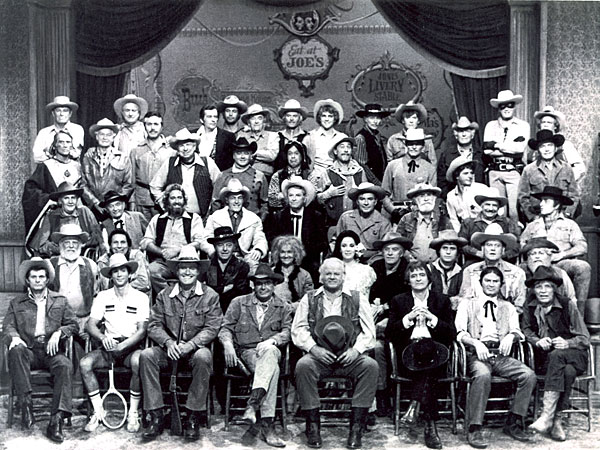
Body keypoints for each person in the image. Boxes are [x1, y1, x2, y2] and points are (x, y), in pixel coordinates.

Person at [291, 258, 378, 449]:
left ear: (343, 276)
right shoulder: (310, 298)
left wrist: (356, 351)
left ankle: (356, 426)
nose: (332, 277)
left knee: (370, 366)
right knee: (303, 366)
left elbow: (369, 332)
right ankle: (313, 425)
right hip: (320, 356)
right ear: (320, 276)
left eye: (336, 273)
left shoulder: (357, 298)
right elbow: (298, 330)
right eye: (328, 273)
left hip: (349, 356)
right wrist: (314, 349)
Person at [139, 246, 223, 442]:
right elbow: (153, 325)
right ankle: (156, 415)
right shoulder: (164, 296)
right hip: (170, 351)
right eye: (182, 268)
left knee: (204, 357)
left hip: (194, 351)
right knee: (146, 356)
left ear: (198, 271)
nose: (187, 272)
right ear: (176, 271)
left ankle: (193, 416)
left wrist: (191, 345)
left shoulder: (210, 296)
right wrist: (168, 343)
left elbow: (212, 327)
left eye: (191, 268)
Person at [455, 266, 536, 448]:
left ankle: (514, 422)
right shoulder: (467, 304)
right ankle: (474, 427)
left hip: (500, 355)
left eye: (495, 281)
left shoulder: (507, 307)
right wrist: (476, 343)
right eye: (488, 280)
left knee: (528, 375)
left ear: (501, 284)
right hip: (476, 354)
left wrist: (511, 336)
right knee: (482, 375)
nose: (491, 284)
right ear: (481, 282)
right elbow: (460, 332)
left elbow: (517, 331)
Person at [2, 257, 78, 442]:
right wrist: (16, 337)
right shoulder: (17, 303)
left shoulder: (59, 300)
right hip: (28, 350)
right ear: (27, 280)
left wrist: (59, 333)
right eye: (33, 277)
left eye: (41, 276)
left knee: (64, 365)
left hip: (51, 351)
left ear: (47, 279)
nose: (37, 280)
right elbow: (7, 327)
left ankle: (56, 420)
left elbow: (73, 325)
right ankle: (26, 403)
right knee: (16, 350)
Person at [219, 263, 292, 448]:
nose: (263, 287)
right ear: (253, 285)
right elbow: (225, 328)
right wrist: (227, 344)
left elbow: (289, 331)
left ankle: (253, 405)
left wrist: (273, 341)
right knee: (271, 369)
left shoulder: (282, 306)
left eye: (267, 283)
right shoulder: (239, 303)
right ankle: (268, 426)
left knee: (270, 355)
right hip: (246, 354)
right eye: (259, 283)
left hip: (272, 350)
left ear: (273, 285)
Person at [386, 262, 456, 450]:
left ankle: (415, 405)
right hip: (408, 355)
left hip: (436, 353)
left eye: (421, 275)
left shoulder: (441, 300)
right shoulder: (399, 301)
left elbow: (451, 333)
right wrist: (407, 319)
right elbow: (390, 333)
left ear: (428, 278)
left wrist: (433, 319)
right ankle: (430, 426)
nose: (418, 278)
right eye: (413, 275)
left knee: (428, 352)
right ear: (408, 280)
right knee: (426, 362)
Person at [81, 253, 149, 433]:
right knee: (85, 363)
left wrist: (124, 345)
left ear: (129, 273)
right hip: (108, 349)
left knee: (138, 361)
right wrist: (104, 339)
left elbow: (142, 330)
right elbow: (90, 325)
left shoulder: (141, 297)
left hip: (131, 347)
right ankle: (98, 411)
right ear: (110, 275)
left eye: (123, 270)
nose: (119, 275)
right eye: (115, 271)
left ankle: (133, 413)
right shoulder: (102, 296)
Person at [522, 266, 590, 442]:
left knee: (558, 355)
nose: (543, 291)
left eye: (547, 286)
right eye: (538, 287)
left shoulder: (568, 305)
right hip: (548, 360)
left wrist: (567, 342)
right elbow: (526, 330)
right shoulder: (529, 306)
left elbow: (584, 338)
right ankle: (556, 419)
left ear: (554, 288)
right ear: (533, 290)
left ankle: (546, 416)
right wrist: (537, 340)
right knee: (566, 371)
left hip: (575, 355)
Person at [520, 185, 591, 313]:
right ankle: (523, 316)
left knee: (582, 267)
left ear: (557, 205)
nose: (541, 204)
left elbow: (582, 247)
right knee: (519, 270)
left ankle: (577, 317)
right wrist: (533, 254)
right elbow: (522, 245)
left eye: (546, 201)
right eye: (541, 200)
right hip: (536, 263)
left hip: (559, 263)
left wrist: (562, 254)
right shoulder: (532, 226)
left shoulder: (569, 224)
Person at [368, 232, 412, 415]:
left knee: (379, 347)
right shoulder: (376, 267)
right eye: (387, 250)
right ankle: (378, 395)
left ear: (402, 253)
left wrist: (388, 312)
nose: (390, 253)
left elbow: (408, 301)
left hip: (399, 320)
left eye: (395, 250)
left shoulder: (407, 270)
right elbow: (369, 295)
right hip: (375, 316)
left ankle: (384, 393)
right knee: (371, 343)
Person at [140, 183, 207, 294]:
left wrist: (179, 250)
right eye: (173, 198)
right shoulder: (158, 219)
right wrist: (162, 252)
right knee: (150, 271)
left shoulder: (194, 218)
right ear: (167, 201)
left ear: (184, 200)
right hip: (163, 262)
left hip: (186, 262)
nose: (177, 201)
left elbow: (199, 241)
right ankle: (168, 297)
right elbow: (146, 242)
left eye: (179, 198)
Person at [150, 128, 221, 220]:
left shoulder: (207, 163)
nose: (185, 148)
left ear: (194, 147)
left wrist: (213, 211)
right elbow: (154, 186)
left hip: (202, 219)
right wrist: (165, 206)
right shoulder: (170, 163)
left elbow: (220, 186)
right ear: (177, 148)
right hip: (176, 219)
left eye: (188, 144)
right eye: (181, 145)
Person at [265, 176, 326, 281]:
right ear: (287, 198)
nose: (294, 198)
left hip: (308, 260)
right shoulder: (278, 216)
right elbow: (273, 240)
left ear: (304, 198)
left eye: (298, 195)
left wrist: (302, 253)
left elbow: (322, 243)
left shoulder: (316, 217)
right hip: (284, 258)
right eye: (291, 195)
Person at [23, 129, 83, 234]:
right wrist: (49, 199)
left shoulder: (78, 167)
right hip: (55, 216)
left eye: (68, 142)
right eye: (61, 142)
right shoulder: (46, 166)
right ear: (55, 146)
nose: (65, 145)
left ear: (72, 146)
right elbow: (30, 191)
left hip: (77, 214)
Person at [205, 178, 268, 275]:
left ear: (243, 200)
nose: (236, 201)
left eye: (239, 198)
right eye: (232, 198)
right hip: (221, 255)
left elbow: (260, 238)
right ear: (226, 200)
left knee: (253, 268)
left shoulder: (253, 218)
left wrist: (258, 249)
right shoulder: (215, 217)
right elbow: (205, 238)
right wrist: (213, 251)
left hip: (244, 257)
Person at [483, 90, 530, 220]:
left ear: (514, 106)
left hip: (513, 171)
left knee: (514, 211)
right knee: (498, 211)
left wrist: (496, 145)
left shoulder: (523, 126)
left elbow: (519, 149)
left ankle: (515, 239)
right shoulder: (490, 126)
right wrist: (510, 146)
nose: (507, 108)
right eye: (503, 105)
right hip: (494, 172)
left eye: (510, 105)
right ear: (499, 108)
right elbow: (487, 151)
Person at [458, 223, 526, 313]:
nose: (493, 249)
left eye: (497, 246)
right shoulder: (470, 271)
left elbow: (520, 305)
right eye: (489, 245)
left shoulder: (517, 273)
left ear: (503, 250)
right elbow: (465, 301)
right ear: (482, 249)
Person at [47, 224, 99, 340]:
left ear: (80, 245)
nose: (71, 246)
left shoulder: (91, 265)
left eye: (75, 242)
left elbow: (96, 296)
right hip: (57, 323)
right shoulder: (50, 265)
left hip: (84, 321)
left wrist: (90, 322)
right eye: (67, 242)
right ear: (60, 244)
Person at [518, 129, 579, 221]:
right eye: (542, 146)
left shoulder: (566, 168)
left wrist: (567, 214)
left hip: (562, 216)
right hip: (538, 216)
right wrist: (532, 217)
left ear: (555, 148)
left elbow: (574, 195)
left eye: (550, 145)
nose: (547, 149)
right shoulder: (529, 170)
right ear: (538, 150)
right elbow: (523, 197)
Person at [32, 181, 103, 258]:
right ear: (60, 201)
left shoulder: (85, 212)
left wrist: (82, 245)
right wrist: (60, 249)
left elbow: (98, 237)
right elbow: (42, 245)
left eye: (73, 198)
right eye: (66, 198)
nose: (70, 201)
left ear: (77, 200)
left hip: (83, 256)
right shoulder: (51, 216)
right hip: (59, 257)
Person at [82, 118, 134, 220]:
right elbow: (83, 184)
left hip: (116, 210)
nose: (105, 138)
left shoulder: (122, 158)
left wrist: (114, 203)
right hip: (94, 209)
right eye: (102, 134)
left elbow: (129, 184)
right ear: (96, 136)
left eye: (108, 135)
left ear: (113, 137)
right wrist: (95, 202)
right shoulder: (88, 157)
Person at [310, 137, 367, 227]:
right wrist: (329, 194)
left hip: (357, 222)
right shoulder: (328, 172)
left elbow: (367, 196)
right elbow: (316, 199)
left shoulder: (359, 171)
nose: (345, 150)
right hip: (333, 222)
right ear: (335, 151)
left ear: (352, 151)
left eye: (348, 147)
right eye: (342, 147)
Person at [382, 129, 437, 219]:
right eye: (410, 144)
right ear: (405, 145)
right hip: (397, 212)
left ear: (423, 147)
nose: (414, 147)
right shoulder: (393, 165)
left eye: (418, 143)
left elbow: (432, 196)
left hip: (420, 214)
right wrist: (393, 211)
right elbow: (384, 193)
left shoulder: (429, 168)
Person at [131, 111, 176, 220]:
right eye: (149, 124)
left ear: (162, 127)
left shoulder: (171, 151)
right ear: (144, 126)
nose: (152, 128)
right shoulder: (136, 150)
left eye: (156, 124)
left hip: (163, 199)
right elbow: (131, 180)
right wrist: (132, 202)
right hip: (141, 200)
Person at [458, 186, 520, 265]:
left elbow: (517, 245)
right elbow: (461, 244)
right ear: (481, 206)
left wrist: (502, 254)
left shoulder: (507, 222)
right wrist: (477, 252)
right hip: (475, 261)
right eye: (487, 204)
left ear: (498, 207)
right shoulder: (469, 223)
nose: (490, 209)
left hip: (502, 261)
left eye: (494, 205)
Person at [529, 106, 585, 192]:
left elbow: (580, 168)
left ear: (555, 126)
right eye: (543, 122)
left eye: (549, 122)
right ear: (540, 125)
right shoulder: (536, 148)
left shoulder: (566, 145)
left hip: (563, 191)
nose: (546, 124)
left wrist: (564, 180)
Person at [211, 137, 268, 220]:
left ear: (250, 155)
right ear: (233, 155)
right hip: (228, 223)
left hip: (252, 222)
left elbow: (264, 204)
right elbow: (216, 203)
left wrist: (260, 222)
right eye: (239, 153)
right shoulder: (223, 175)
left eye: (246, 153)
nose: (242, 156)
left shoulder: (259, 176)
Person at [396, 182, 452, 263]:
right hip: (413, 267)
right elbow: (399, 243)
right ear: (415, 200)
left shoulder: (444, 220)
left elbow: (452, 245)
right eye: (421, 196)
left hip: (438, 267)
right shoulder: (406, 219)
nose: (426, 199)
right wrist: (409, 258)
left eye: (429, 195)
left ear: (434, 198)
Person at [336, 182, 391, 262]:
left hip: (373, 263)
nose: (366, 203)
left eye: (370, 199)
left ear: (375, 202)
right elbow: (336, 243)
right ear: (357, 202)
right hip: (347, 260)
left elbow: (384, 250)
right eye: (362, 199)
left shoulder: (384, 223)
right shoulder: (346, 218)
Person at [202, 226, 251, 313]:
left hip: (234, 311)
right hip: (210, 310)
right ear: (214, 246)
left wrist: (217, 290)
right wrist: (224, 289)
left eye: (229, 245)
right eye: (220, 245)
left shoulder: (242, 266)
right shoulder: (207, 266)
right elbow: (206, 292)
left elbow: (240, 293)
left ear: (234, 246)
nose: (225, 249)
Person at [437, 116, 484, 198]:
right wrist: (449, 198)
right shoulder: (446, 155)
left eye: (467, 131)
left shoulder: (481, 154)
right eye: (460, 131)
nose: (464, 134)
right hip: (456, 200)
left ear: (472, 134)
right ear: (456, 134)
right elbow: (441, 182)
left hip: (478, 198)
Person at [520, 237, 576, 302]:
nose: (537, 256)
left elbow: (571, 299)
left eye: (541, 253)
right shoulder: (520, 273)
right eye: (533, 254)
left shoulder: (560, 274)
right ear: (528, 259)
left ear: (550, 257)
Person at [97, 229, 151, 294]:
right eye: (115, 242)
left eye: (123, 242)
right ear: (110, 246)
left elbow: (144, 282)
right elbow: (105, 287)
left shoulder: (137, 256)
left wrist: (121, 288)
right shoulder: (103, 261)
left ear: (128, 245)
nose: (119, 246)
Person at [32, 95, 84, 163]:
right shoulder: (43, 133)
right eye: (58, 110)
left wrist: (49, 155)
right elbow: (36, 157)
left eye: (65, 111)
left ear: (70, 114)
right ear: (53, 113)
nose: (61, 114)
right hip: (49, 171)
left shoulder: (77, 130)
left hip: (71, 170)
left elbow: (75, 154)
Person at [332, 230, 377, 305]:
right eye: (344, 246)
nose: (348, 249)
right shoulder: (333, 268)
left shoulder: (366, 270)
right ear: (339, 249)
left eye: (351, 246)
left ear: (357, 248)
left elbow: (366, 297)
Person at [445, 155, 488, 232]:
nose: (470, 176)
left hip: (483, 230)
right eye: (465, 173)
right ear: (457, 176)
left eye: (471, 173)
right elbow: (454, 219)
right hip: (465, 231)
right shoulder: (451, 196)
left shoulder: (481, 189)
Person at [428, 229, 468, 309]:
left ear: (457, 252)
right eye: (445, 248)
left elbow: (465, 297)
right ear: (439, 251)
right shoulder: (428, 269)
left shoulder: (463, 273)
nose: (448, 252)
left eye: (452, 248)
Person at [270, 235, 314, 308]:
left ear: (295, 254)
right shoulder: (271, 272)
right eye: (283, 252)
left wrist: (292, 307)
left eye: (289, 252)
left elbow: (308, 298)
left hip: (297, 312)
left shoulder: (305, 275)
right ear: (278, 254)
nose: (286, 256)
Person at [236, 104, 279, 178]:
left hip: (266, 176)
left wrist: (250, 152)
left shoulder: (273, 136)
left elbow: (272, 155)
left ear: (264, 121)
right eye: (253, 119)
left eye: (259, 118)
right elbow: (238, 157)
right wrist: (263, 152)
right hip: (245, 176)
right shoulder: (242, 136)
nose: (256, 122)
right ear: (248, 122)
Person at [304, 98, 348, 170]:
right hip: (316, 176)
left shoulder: (342, 137)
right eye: (324, 116)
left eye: (330, 116)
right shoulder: (310, 136)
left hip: (337, 175)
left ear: (335, 118)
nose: (327, 119)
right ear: (319, 118)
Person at [269, 140, 312, 212]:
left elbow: (312, 199)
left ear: (302, 156)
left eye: (296, 153)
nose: (293, 157)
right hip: (282, 214)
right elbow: (272, 200)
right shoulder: (277, 175)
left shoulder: (310, 175)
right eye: (290, 154)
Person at [353, 103, 391, 182]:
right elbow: (362, 165)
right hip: (369, 183)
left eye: (378, 118)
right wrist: (377, 183)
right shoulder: (361, 138)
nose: (375, 121)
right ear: (365, 119)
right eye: (372, 118)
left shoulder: (378, 136)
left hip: (381, 180)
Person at [195, 103, 236, 170]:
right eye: (209, 117)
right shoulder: (192, 134)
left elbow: (231, 163)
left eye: (215, 116)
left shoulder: (228, 137)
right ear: (201, 120)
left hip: (218, 177)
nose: (213, 120)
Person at [275, 99, 309, 168]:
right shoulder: (277, 136)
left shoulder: (307, 137)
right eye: (288, 115)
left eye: (295, 116)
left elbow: (310, 162)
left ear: (300, 118)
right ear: (284, 118)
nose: (291, 119)